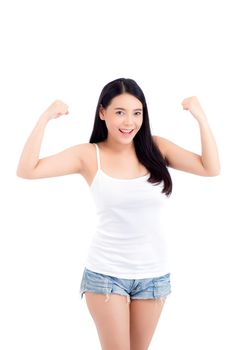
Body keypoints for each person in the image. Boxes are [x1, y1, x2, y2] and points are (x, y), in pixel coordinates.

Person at [16, 78, 221, 350]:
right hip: (105, 274)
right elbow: (27, 170)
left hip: (153, 275)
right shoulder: (89, 155)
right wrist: (45, 118)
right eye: (120, 112)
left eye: (137, 113)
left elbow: (210, 168)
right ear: (102, 113)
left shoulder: (157, 149)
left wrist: (201, 117)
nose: (129, 122)